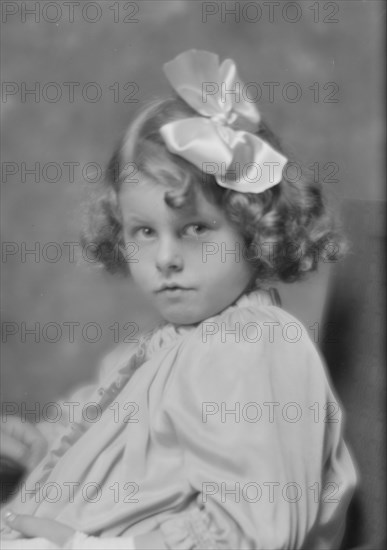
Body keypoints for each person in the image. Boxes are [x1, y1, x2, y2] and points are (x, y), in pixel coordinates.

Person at [0, 50, 357, 549]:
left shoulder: (253, 345)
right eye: (145, 231)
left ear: (253, 227)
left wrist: (85, 545)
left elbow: (254, 533)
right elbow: (111, 469)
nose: (166, 257)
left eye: (194, 229)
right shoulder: (149, 354)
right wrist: (40, 451)